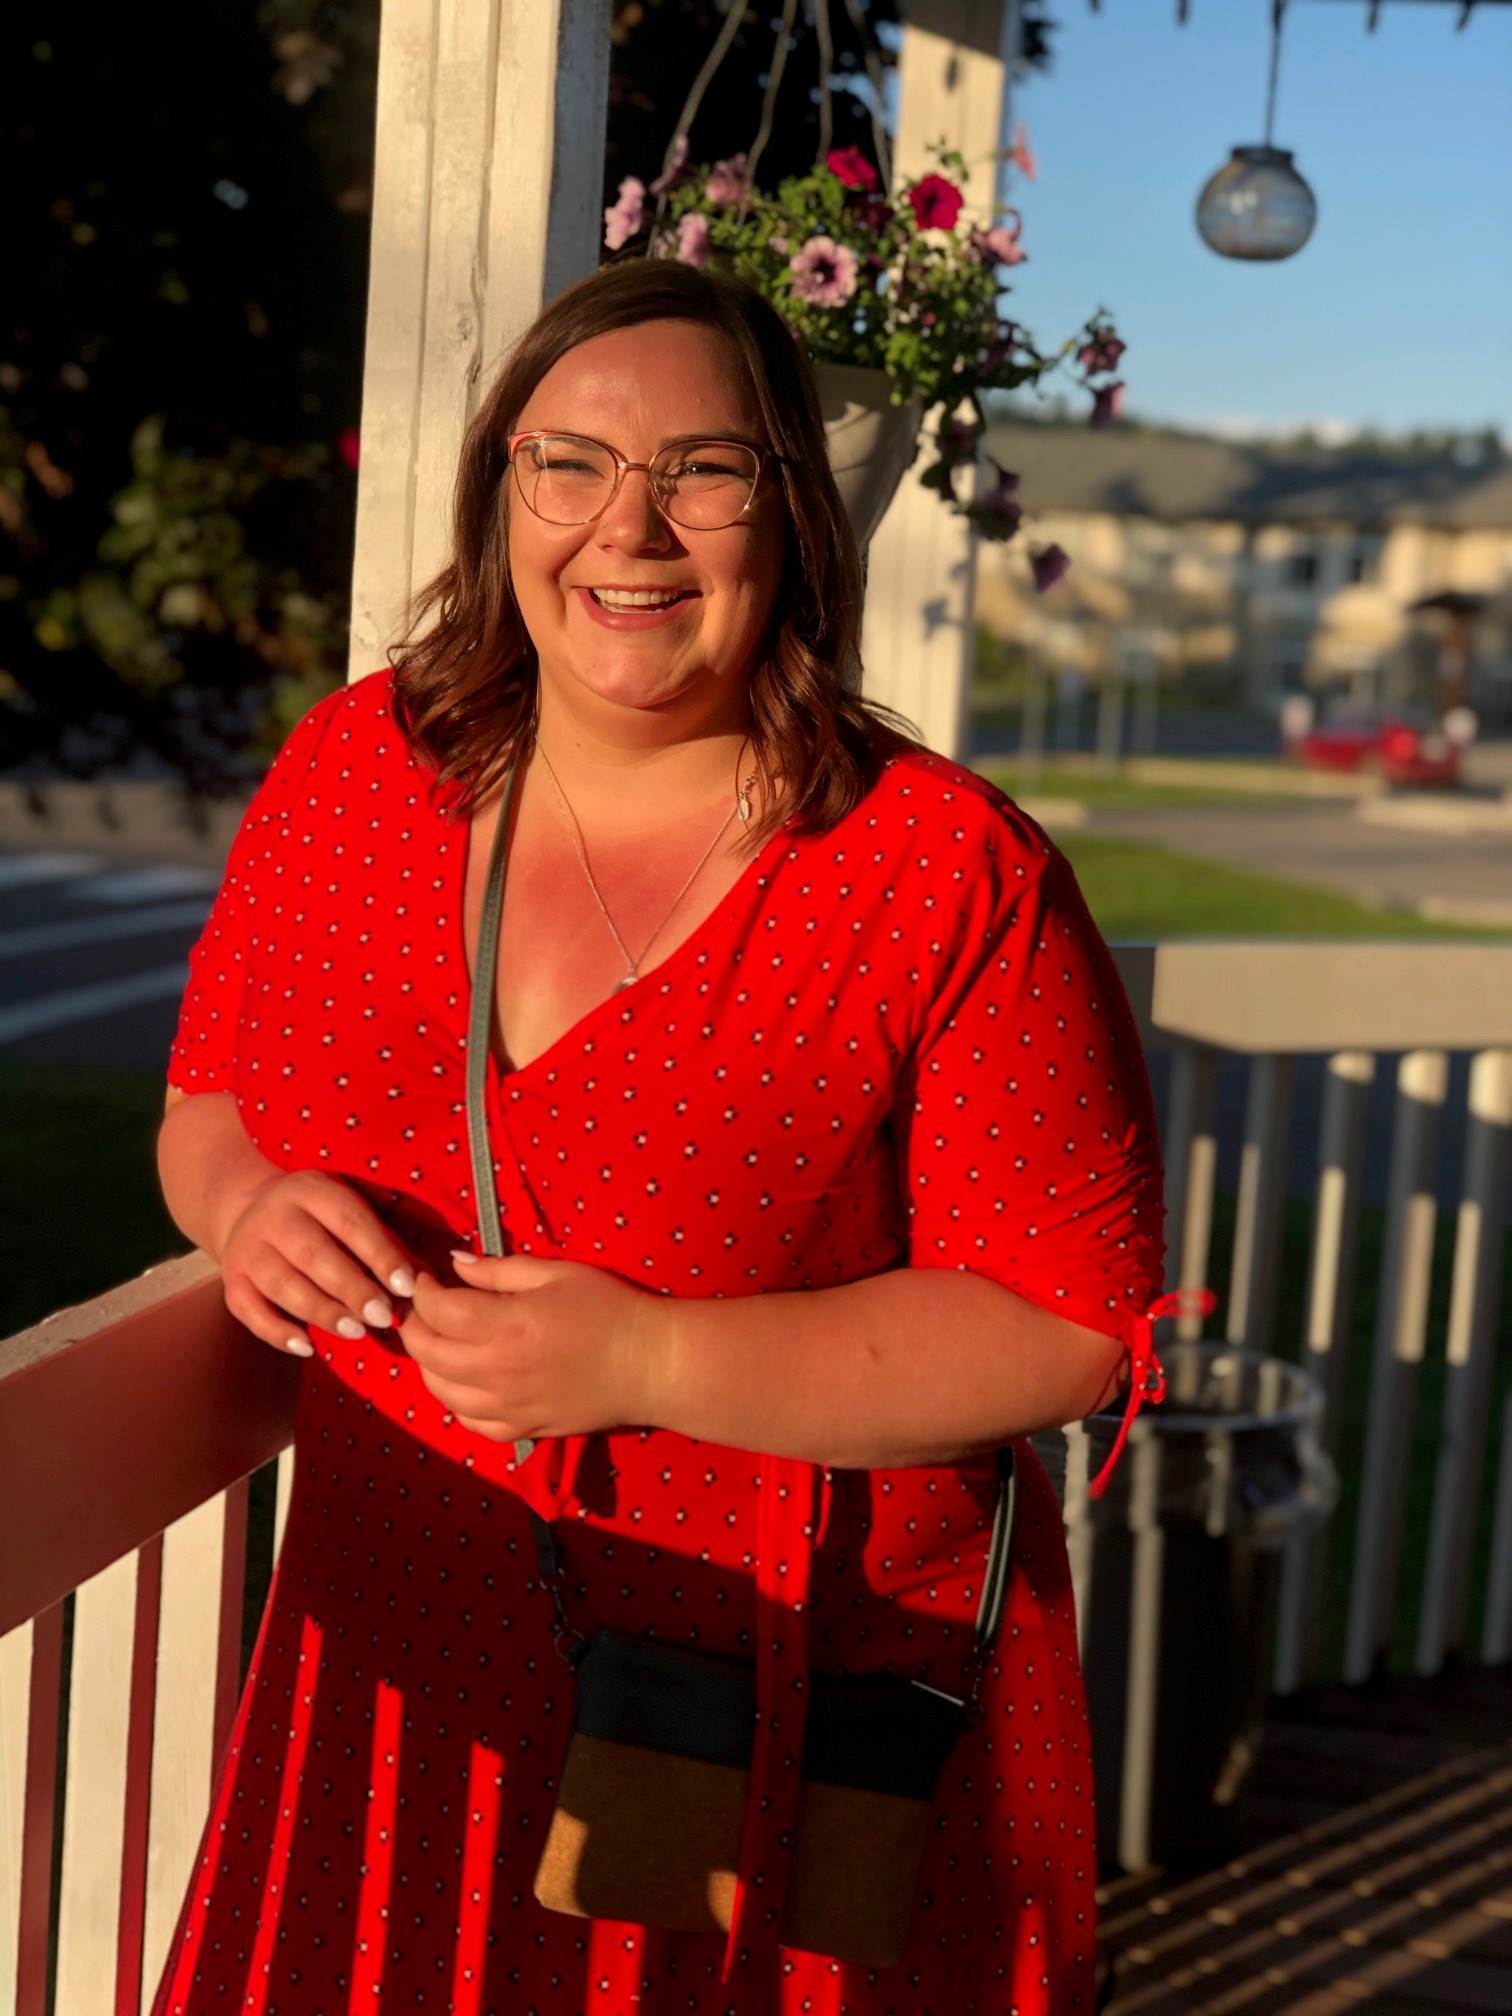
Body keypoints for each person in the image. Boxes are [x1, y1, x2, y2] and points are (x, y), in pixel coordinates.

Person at [153, 258, 1164, 2016]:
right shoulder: (355, 776)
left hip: (778, 1716)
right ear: (501, 496)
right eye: (571, 464)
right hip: (397, 1667)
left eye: (704, 467)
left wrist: (646, 1355)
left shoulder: (937, 873)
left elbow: (1075, 1324)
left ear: (792, 514)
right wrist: (248, 1206)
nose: (631, 527)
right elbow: (208, 1103)